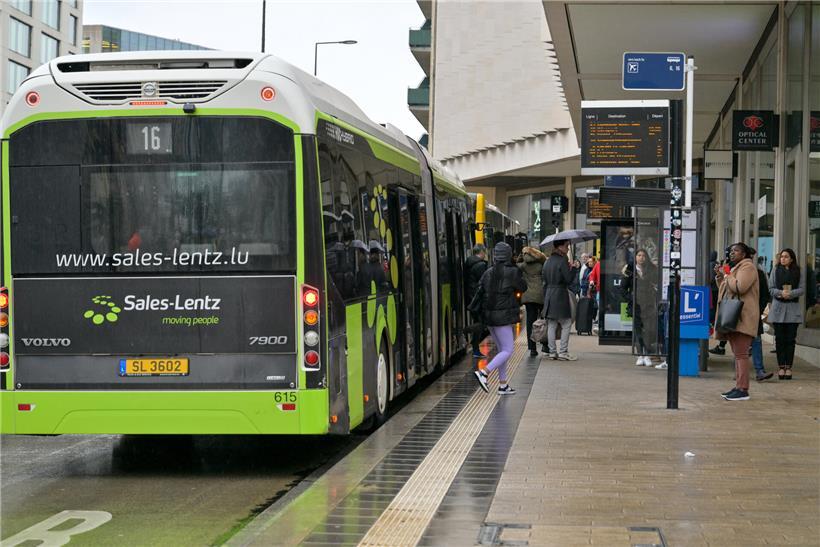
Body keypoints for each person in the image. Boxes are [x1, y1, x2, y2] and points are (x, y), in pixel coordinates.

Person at [473, 242, 527, 395]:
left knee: (502, 351)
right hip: (503, 318)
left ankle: (503, 385)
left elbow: (480, 290)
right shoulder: (512, 272)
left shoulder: (488, 272)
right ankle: (484, 372)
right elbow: (523, 287)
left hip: (489, 317)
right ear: (509, 255)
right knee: (508, 350)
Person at [714, 242, 760, 401]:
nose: (732, 253)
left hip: (743, 317)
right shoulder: (736, 268)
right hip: (734, 317)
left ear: (745, 254)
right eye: (731, 251)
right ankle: (739, 386)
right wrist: (721, 277)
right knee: (738, 353)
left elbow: (739, 288)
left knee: (741, 354)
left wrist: (728, 275)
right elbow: (726, 289)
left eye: (736, 251)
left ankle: (743, 389)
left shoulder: (748, 267)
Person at [769, 248, 804, 380]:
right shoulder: (775, 270)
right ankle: (781, 367)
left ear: (792, 259)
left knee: (790, 340)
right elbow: (771, 288)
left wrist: (791, 293)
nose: (783, 259)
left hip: (793, 309)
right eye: (782, 256)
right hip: (778, 309)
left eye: (786, 257)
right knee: (779, 339)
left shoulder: (798, 271)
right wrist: (780, 293)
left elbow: (802, 289)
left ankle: (788, 367)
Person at [542, 239, 580, 360]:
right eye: (567, 246)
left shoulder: (547, 261)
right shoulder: (562, 260)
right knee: (566, 323)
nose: (568, 248)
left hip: (549, 294)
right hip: (560, 295)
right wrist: (573, 268)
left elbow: (544, 280)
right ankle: (563, 352)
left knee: (552, 324)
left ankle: (552, 352)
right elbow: (568, 279)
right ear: (560, 247)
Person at [629, 249, 659, 367]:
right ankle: (640, 354)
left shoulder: (651, 269)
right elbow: (622, 287)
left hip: (649, 303)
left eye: (643, 255)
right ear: (635, 257)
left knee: (648, 330)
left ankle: (646, 354)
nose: (641, 257)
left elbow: (657, 282)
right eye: (639, 255)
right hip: (636, 304)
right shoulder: (630, 269)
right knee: (638, 330)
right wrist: (630, 297)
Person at [518, 245, 548, 357]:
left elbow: (516, 267)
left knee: (530, 322)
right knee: (543, 321)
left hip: (528, 297)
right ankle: (545, 344)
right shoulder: (541, 264)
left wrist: (519, 259)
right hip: (541, 296)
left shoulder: (523, 265)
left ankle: (532, 348)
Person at [749, 248, 773, 381]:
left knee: (756, 340)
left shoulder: (759, 273)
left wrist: (758, 309)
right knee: (740, 343)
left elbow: (765, 294)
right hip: (739, 314)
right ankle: (739, 372)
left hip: (754, 313)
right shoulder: (735, 271)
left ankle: (759, 370)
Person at [465, 244, 489, 358]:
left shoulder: (469, 263)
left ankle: (475, 348)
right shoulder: (480, 265)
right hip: (478, 299)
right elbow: (484, 283)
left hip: (471, 298)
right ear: (482, 252)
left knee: (478, 322)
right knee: (480, 324)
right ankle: (473, 345)